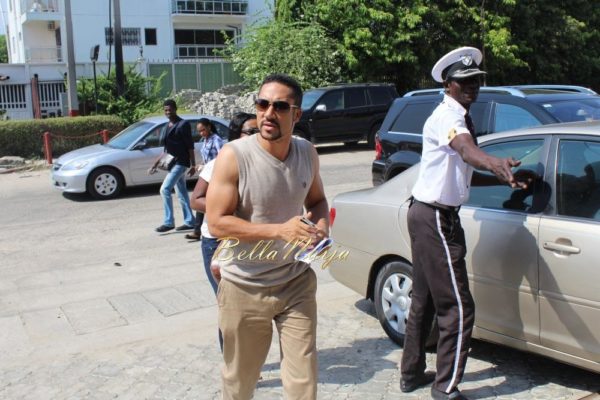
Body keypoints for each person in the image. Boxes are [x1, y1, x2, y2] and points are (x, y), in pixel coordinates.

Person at [399, 47, 533, 400]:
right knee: (458, 306)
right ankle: (445, 388)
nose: (473, 87)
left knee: (424, 301)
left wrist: (502, 176)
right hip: (435, 219)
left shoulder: (454, 113)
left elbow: (462, 170)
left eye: (477, 81)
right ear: (449, 83)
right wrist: (492, 161)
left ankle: (411, 373)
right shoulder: (449, 117)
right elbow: (466, 150)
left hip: (430, 214)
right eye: (465, 82)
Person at [206, 73, 329, 400]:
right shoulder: (234, 156)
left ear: (297, 114)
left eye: (279, 106)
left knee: (304, 378)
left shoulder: (307, 153)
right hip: (245, 285)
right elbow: (216, 223)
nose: (268, 113)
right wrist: (280, 230)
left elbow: (316, 200)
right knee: (241, 381)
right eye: (262, 104)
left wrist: (320, 229)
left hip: (296, 281)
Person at [190, 112, 258, 350]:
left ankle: (248, 360)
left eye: (259, 132)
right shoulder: (218, 164)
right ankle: (233, 361)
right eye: (251, 132)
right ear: (236, 135)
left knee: (250, 305)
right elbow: (195, 199)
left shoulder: (263, 163)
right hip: (218, 243)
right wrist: (224, 209)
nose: (257, 137)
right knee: (229, 305)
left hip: (250, 242)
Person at [148, 99, 196, 233]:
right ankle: (190, 221)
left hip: (181, 163)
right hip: (172, 163)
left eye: (170, 109)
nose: (168, 112)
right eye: (165, 110)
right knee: (182, 193)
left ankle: (169, 222)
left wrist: (193, 165)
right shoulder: (167, 125)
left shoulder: (183, 124)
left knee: (164, 190)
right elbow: (166, 150)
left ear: (175, 109)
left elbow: (190, 146)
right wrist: (155, 164)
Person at [185, 118, 225, 241]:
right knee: (202, 201)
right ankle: (198, 229)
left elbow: (222, 156)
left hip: (216, 174)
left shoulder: (216, 140)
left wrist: (208, 166)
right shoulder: (206, 140)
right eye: (199, 131)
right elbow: (207, 157)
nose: (201, 133)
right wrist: (201, 165)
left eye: (203, 130)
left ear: (209, 127)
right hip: (207, 174)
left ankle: (201, 230)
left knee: (205, 201)